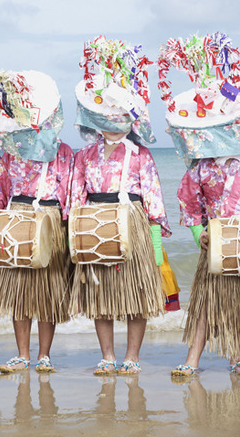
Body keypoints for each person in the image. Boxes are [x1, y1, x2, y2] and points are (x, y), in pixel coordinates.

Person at [157, 32, 240, 378]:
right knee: (206, 304)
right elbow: (189, 201)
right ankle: (192, 359)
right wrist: (199, 232)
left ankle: (237, 358)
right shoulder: (202, 164)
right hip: (216, 237)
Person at [0, 58, 75, 373]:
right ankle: (22, 353)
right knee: (18, 290)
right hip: (16, 216)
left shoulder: (64, 151)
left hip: (50, 218)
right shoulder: (10, 150)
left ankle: (44, 355)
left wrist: (68, 227)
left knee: (49, 290)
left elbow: (70, 191)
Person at [69, 36, 170, 375]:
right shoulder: (85, 154)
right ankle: (107, 355)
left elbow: (154, 198)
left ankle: (132, 357)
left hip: (133, 221)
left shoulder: (141, 155)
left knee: (135, 294)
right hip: (95, 222)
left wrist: (155, 246)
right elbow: (76, 197)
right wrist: (75, 233)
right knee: (102, 294)